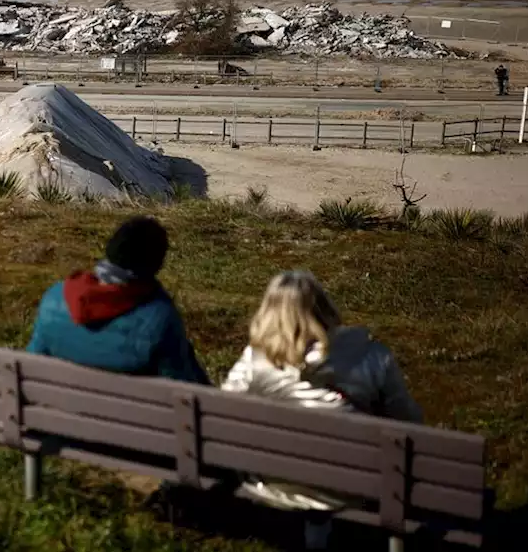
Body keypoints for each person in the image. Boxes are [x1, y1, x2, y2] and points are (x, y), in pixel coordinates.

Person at [220, 270, 422, 549]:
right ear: (324, 306)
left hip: (276, 481)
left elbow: (221, 414)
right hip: (357, 486)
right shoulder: (373, 357)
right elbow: (410, 424)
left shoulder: (254, 361)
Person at [26, 216, 210, 385]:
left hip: (56, 417)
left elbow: (32, 365)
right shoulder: (157, 319)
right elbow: (184, 390)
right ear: (155, 264)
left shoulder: (55, 298)